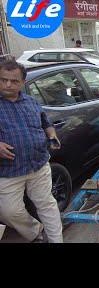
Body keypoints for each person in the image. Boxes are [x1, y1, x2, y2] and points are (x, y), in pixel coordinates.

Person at [0, 60, 63, 243]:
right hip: (9, 170)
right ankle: (36, 232)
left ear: (23, 82)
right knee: (9, 212)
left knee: (47, 204)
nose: (8, 85)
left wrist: (51, 135)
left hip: (39, 163)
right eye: (3, 80)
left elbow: (46, 124)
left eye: (14, 81)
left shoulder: (32, 102)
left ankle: (56, 241)